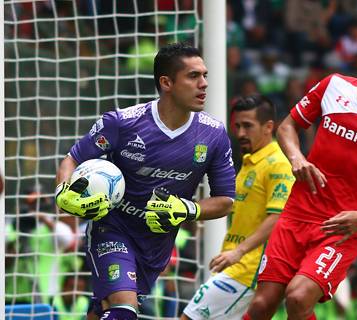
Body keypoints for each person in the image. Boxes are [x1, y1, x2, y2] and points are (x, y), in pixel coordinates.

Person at [243, 35, 357, 320]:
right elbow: (288, 127)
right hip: (296, 213)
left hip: (342, 228)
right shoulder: (334, 85)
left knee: (299, 297)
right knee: (260, 306)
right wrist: (297, 159)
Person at [55, 42, 236, 320]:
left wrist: (189, 209)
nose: (203, 84)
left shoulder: (213, 135)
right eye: (193, 76)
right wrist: (62, 192)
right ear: (166, 82)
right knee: (123, 312)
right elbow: (72, 159)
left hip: (156, 244)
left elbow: (226, 201)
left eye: (205, 75)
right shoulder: (123, 123)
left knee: (101, 312)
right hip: (112, 229)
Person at [181, 95, 295, 319]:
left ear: (268, 127)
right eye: (238, 126)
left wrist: (239, 252)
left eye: (248, 126)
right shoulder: (250, 162)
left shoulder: (278, 164)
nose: (241, 133)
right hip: (234, 265)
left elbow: (277, 218)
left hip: (248, 270)